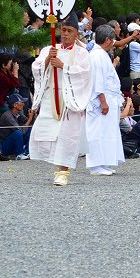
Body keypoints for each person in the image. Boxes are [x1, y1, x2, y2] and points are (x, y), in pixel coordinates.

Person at [29, 14, 93, 187]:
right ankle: (52, 162)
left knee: (67, 135)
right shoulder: (49, 49)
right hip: (51, 97)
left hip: (70, 99)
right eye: (63, 30)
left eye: (69, 31)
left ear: (76, 33)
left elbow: (84, 74)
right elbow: (37, 68)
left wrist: (64, 67)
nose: (65, 34)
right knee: (47, 132)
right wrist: (49, 59)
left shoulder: (81, 53)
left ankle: (63, 172)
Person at [86, 25, 127, 176]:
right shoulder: (96, 56)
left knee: (107, 131)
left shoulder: (101, 54)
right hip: (101, 99)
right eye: (113, 40)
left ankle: (103, 162)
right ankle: (96, 165)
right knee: (98, 131)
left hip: (109, 97)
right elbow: (98, 81)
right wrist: (103, 101)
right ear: (108, 40)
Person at [0, 93, 33, 159]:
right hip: (5, 145)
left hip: (14, 143)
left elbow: (27, 123)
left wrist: (32, 116)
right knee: (18, 133)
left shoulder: (18, 112)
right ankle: (20, 154)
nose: (24, 104)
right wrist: (30, 119)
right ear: (15, 105)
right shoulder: (7, 116)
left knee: (30, 129)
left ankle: (27, 152)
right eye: (22, 102)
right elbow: (21, 131)